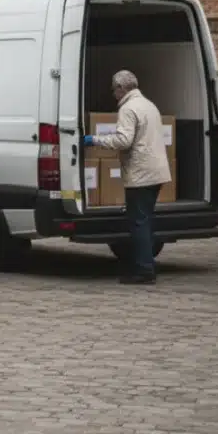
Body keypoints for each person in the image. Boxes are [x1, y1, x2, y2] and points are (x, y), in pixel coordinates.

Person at [83, 69, 171, 285]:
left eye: (114, 89)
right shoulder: (149, 105)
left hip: (140, 173)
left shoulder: (128, 108)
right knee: (146, 220)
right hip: (157, 171)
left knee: (138, 222)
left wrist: (94, 139)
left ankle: (143, 270)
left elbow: (123, 141)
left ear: (122, 88)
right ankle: (145, 263)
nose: (113, 94)